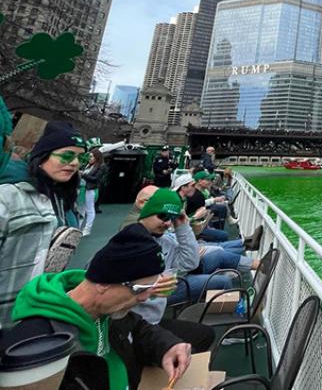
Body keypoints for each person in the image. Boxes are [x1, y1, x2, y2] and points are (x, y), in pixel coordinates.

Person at [3, 224, 192, 390]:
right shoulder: (37, 345)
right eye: (139, 289)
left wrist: (168, 346)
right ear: (103, 283)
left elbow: (138, 327)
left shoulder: (108, 310)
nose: (145, 298)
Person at [0, 117, 87, 327]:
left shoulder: (67, 201)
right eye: (67, 155)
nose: (74, 163)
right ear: (42, 157)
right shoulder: (8, 197)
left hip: (37, 315)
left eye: (80, 158)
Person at [132, 189, 215, 353]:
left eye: (171, 217)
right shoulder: (131, 238)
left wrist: (182, 225)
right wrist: (149, 288)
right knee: (221, 274)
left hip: (153, 319)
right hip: (133, 325)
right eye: (162, 216)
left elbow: (190, 262)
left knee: (205, 334)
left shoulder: (164, 241)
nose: (167, 222)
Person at [79, 149, 107, 236]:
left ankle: (87, 229)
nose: (89, 158)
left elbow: (95, 179)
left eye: (91, 156)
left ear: (96, 157)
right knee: (81, 209)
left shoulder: (101, 166)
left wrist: (83, 174)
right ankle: (77, 228)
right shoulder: (88, 165)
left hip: (91, 189)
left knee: (90, 209)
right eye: (89, 156)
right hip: (82, 189)